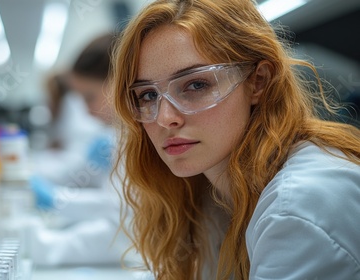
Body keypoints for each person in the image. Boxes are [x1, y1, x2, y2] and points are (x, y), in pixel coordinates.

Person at [110, 0, 360, 279]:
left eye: (196, 85)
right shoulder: (209, 197)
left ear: (258, 81)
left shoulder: (298, 208)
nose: (164, 118)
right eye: (148, 95)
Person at [27, 33, 133, 266]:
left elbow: (128, 230)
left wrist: (48, 247)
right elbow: (118, 209)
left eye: (90, 97)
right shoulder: (126, 136)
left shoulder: (145, 139)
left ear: (120, 79)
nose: (85, 111)